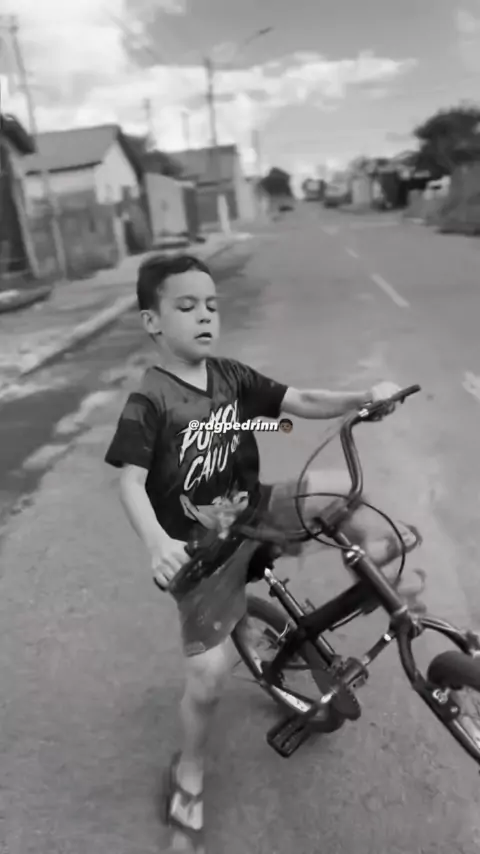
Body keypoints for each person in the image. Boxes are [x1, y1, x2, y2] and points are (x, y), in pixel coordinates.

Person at [104, 253, 421, 846]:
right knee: (207, 678)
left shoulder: (231, 376)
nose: (205, 316)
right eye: (186, 306)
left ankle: (373, 568)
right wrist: (157, 543)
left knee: (337, 488)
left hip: (253, 510)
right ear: (152, 321)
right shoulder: (150, 401)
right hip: (201, 553)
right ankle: (189, 771)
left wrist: (364, 398)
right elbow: (128, 482)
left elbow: (302, 400)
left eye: (211, 305)